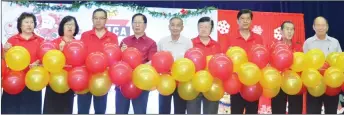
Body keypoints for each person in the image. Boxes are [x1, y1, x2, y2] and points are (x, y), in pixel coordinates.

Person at [1, 12, 44, 114]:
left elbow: (46, 60)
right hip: (14, 80)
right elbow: (4, 60)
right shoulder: (12, 40)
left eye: (32, 22)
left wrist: (38, 62)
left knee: (31, 110)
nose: (29, 24)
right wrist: (5, 51)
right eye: (26, 22)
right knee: (10, 110)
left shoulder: (41, 41)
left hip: (33, 81)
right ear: (20, 25)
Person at [79, 8, 118, 114]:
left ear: (106, 20)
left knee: (100, 110)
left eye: (101, 18)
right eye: (95, 18)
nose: (98, 20)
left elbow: (114, 57)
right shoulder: (85, 35)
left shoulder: (113, 37)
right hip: (85, 77)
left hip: (102, 79)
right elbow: (80, 55)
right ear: (92, 19)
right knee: (82, 110)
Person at [116, 13, 157, 114]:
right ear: (132, 24)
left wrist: (137, 70)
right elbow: (117, 61)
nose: (137, 25)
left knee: (140, 112)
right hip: (123, 82)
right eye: (135, 22)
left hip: (141, 83)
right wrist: (121, 52)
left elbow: (152, 63)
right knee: (120, 112)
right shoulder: (125, 41)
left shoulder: (151, 43)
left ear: (145, 25)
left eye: (140, 22)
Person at [225, 9, 263, 114]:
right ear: (237, 21)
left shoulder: (258, 38)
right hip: (236, 83)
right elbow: (226, 60)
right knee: (236, 111)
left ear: (251, 21)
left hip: (253, 82)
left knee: (252, 111)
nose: (245, 21)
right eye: (242, 18)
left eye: (248, 19)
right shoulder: (230, 37)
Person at [303, 16, 342, 114]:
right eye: (318, 25)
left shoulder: (335, 42)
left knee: (331, 111)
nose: (321, 27)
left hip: (332, 84)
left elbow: (341, 62)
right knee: (313, 111)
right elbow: (304, 63)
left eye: (323, 25)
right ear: (313, 27)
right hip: (314, 84)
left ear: (327, 27)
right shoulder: (308, 42)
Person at [43, 15, 79, 114]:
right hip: (53, 83)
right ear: (62, 27)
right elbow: (48, 62)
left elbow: (80, 64)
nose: (70, 27)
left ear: (76, 28)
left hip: (69, 83)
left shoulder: (79, 45)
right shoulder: (54, 43)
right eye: (67, 24)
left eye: (72, 25)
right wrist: (59, 51)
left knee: (66, 110)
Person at [187, 16, 221, 114]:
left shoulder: (217, 45)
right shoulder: (190, 43)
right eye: (201, 26)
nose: (204, 29)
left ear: (211, 29)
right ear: (197, 28)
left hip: (212, 84)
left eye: (206, 27)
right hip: (194, 84)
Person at [158, 17, 192, 114]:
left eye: (178, 25)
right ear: (169, 27)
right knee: (163, 110)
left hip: (181, 82)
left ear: (182, 28)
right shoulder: (162, 42)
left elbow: (190, 62)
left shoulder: (188, 42)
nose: (175, 28)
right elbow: (157, 62)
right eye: (172, 25)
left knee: (180, 110)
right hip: (165, 81)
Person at [270, 21, 303, 114]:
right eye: (287, 29)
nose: (289, 32)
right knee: (278, 110)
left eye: (292, 29)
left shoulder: (299, 47)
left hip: (294, 82)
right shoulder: (274, 46)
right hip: (278, 83)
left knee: (296, 110)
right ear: (281, 31)